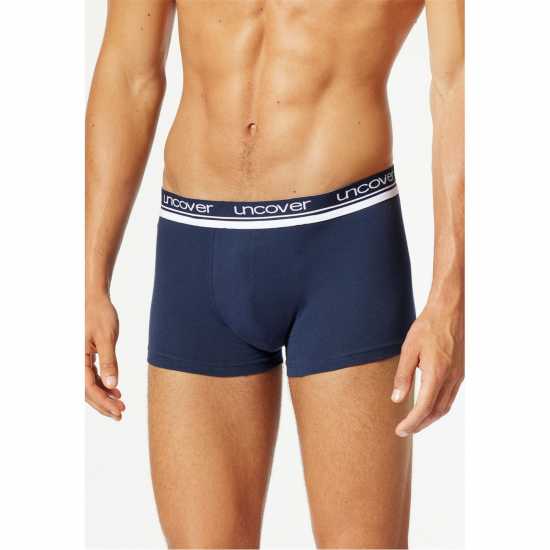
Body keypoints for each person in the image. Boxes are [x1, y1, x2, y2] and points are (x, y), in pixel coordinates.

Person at [85, 1, 464, 548]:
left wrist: (450, 297)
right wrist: (90, 278)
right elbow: (129, 72)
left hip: (344, 248)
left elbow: (458, 82)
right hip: (196, 249)